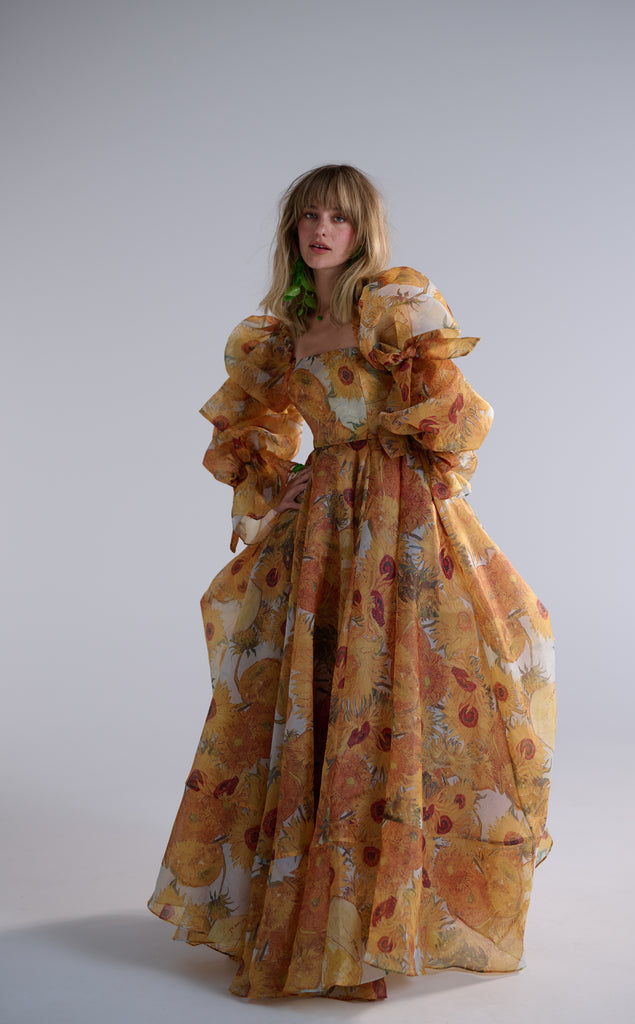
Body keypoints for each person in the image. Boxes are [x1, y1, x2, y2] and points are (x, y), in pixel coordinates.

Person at [147, 164, 556, 1002]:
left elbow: (461, 416)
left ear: (362, 228)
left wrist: (386, 431)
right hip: (326, 528)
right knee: (318, 694)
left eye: (336, 217)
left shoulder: (394, 306)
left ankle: (374, 926)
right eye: (307, 217)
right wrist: (285, 480)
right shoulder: (279, 332)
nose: (320, 231)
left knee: (398, 694)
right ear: (291, 230)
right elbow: (247, 426)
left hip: (398, 518)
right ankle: (311, 921)